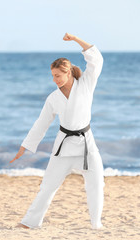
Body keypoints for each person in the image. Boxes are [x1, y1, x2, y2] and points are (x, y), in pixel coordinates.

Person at [10, 33, 105, 229]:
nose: (55, 80)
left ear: (68, 72)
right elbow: (41, 124)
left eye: (58, 76)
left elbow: (96, 59)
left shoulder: (86, 84)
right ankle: (29, 223)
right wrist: (24, 147)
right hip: (63, 147)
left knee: (97, 185)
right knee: (47, 187)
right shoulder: (53, 98)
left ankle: (96, 225)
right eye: (52, 76)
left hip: (87, 144)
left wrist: (76, 39)